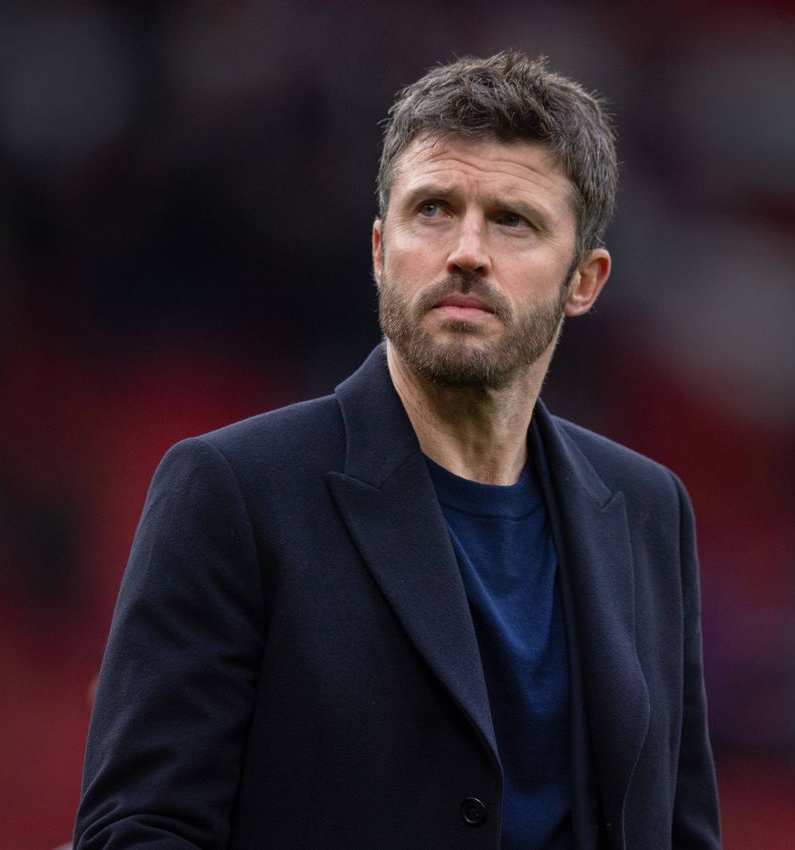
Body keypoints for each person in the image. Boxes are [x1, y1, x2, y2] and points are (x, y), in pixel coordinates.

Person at [74, 50, 720, 849]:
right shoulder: (233, 491)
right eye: (434, 210)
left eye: (512, 220)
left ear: (584, 280)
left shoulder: (651, 512)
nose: (467, 251)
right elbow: (141, 830)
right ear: (380, 249)